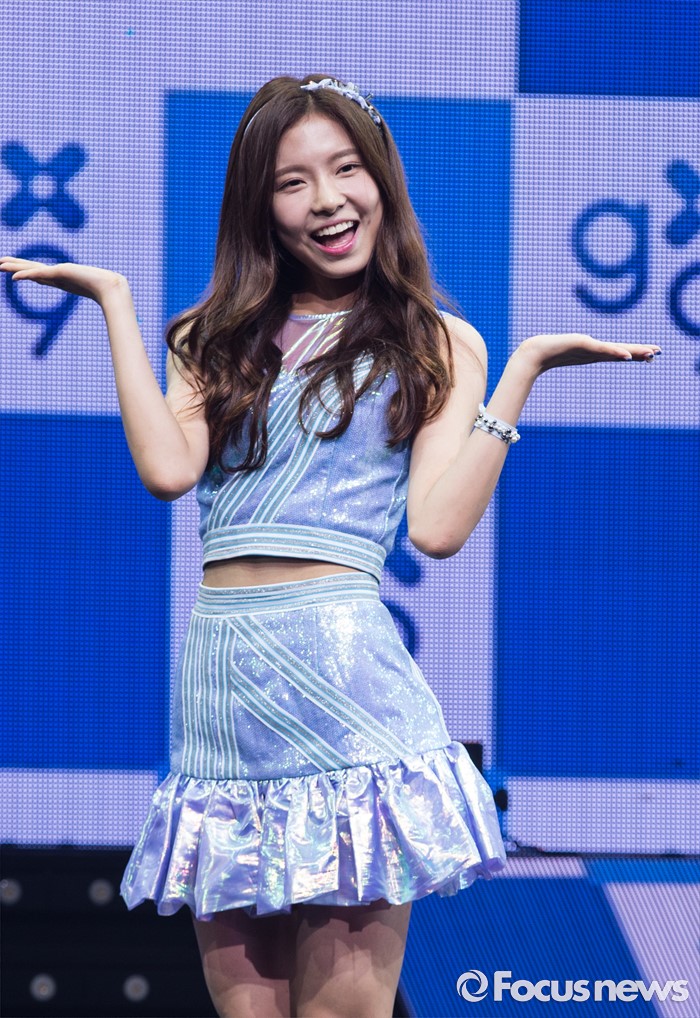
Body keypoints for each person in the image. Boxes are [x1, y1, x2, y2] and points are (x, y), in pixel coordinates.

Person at [0, 73, 659, 1018]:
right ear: (259, 206)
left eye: (346, 170)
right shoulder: (208, 337)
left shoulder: (436, 340)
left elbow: (436, 530)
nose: (327, 200)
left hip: (345, 688)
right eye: (292, 182)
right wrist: (114, 302)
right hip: (222, 695)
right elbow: (167, 472)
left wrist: (519, 376)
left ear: (381, 179)